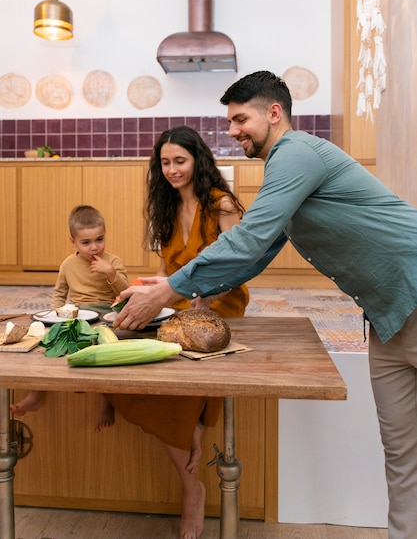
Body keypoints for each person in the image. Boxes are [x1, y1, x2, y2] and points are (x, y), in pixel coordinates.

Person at [114, 71, 417, 539]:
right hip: (386, 316)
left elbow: (248, 238)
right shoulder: (285, 169)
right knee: (401, 453)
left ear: (274, 113)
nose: (232, 131)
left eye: (240, 119)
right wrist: (174, 284)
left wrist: (169, 289)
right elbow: (254, 254)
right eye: (230, 121)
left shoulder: (296, 152)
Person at [105, 126, 249, 539]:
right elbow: (168, 275)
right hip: (182, 306)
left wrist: (201, 296)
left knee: (175, 372)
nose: (171, 170)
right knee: (125, 351)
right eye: (165, 163)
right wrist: (142, 288)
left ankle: (192, 491)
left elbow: (240, 264)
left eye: (179, 161)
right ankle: (194, 438)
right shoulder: (166, 209)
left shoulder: (221, 205)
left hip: (221, 307)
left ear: (198, 160)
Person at [11, 205, 130, 432]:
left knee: (106, 352)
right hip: (76, 313)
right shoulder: (68, 264)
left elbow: (125, 293)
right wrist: (54, 316)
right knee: (46, 346)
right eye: (86, 243)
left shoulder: (113, 261)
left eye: (99, 239)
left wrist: (111, 273)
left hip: (106, 314)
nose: (94, 247)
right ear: (73, 241)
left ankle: (108, 401)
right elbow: (59, 293)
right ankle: (35, 394)